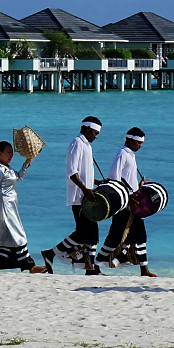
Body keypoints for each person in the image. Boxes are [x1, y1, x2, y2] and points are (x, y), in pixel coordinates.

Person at [42, 116, 102, 275]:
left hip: (87, 195)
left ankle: (90, 268)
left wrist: (97, 182)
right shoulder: (76, 143)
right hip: (79, 197)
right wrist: (85, 189)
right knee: (83, 233)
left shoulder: (87, 145)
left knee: (93, 234)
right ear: (87, 129)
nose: (96, 137)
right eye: (95, 133)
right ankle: (52, 253)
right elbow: (72, 172)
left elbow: (85, 173)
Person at [0, 141, 48, 273]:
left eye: (12, 152)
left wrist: (27, 163)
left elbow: (19, 177)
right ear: (0, 153)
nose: (11, 155)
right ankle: (29, 265)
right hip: (3, 207)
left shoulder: (8, 169)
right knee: (17, 234)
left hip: (10, 206)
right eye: (8, 152)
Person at [96, 127, 156, 277]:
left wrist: (139, 186)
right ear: (129, 140)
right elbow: (114, 178)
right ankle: (98, 264)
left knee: (138, 234)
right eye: (138, 142)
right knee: (116, 234)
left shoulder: (131, 155)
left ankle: (143, 268)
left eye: (142, 143)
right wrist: (126, 198)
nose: (140, 146)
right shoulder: (122, 154)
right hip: (125, 203)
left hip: (133, 202)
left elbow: (127, 178)